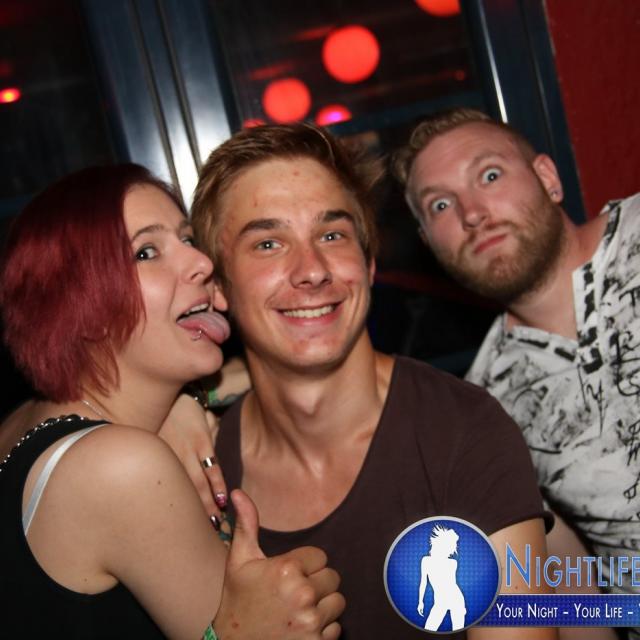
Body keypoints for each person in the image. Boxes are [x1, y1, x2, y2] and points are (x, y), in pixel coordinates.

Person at [179, 122, 556, 639]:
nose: (312, 270)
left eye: (331, 235)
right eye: (268, 243)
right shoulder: (200, 470)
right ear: (219, 285)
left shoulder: (463, 432)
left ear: (370, 262)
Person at [0, 163, 344, 639]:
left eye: (187, 238)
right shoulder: (120, 465)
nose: (201, 262)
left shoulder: (25, 422)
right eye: (146, 252)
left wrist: (185, 400)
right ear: (81, 305)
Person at [394, 107, 637, 639]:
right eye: (441, 205)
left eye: (489, 175)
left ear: (547, 178)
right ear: (430, 242)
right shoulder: (486, 410)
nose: (472, 213)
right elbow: (571, 587)